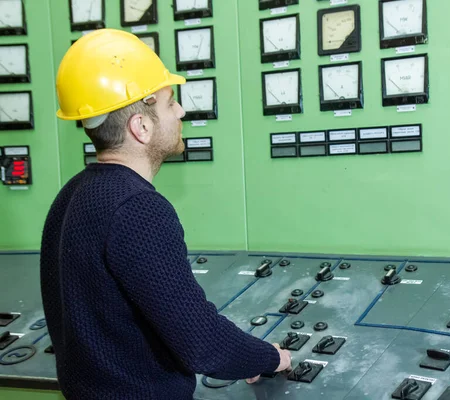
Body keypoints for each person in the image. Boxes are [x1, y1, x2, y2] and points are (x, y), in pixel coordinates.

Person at [40, 29, 291, 399]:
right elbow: (202, 342)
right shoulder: (138, 208)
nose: (181, 111)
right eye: (170, 103)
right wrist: (268, 357)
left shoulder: (71, 194)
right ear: (140, 127)